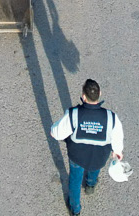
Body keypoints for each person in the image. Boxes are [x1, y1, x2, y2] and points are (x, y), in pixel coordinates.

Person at [50, 79, 123, 213]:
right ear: (100, 93)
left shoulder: (74, 114)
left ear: (83, 96)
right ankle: (90, 185)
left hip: (77, 157)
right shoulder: (111, 117)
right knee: (95, 168)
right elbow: (118, 138)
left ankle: (75, 209)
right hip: (99, 157)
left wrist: (55, 130)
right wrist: (117, 151)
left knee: (75, 181)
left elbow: (56, 133)